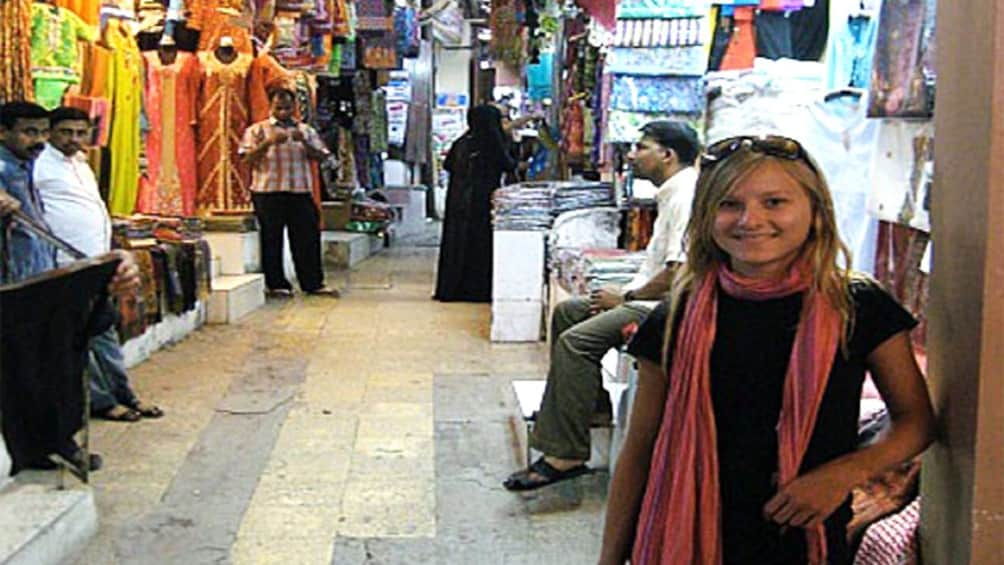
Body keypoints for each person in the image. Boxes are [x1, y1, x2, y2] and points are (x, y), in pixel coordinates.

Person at [598, 135, 935, 565]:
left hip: (802, 536)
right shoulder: (678, 315)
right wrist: (610, 557)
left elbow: (917, 421)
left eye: (774, 202)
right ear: (705, 217)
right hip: (687, 537)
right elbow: (640, 448)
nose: (750, 219)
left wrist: (843, 474)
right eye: (729, 204)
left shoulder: (859, 308)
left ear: (815, 212)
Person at [504, 121, 701, 491]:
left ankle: (566, 454)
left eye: (641, 147)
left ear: (668, 155)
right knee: (567, 313)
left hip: (666, 306)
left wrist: (626, 297)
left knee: (577, 341)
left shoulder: (685, 195)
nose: (631, 155)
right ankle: (587, 410)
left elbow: (680, 273)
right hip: (650, 296)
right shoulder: (673, 192)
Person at [0, 101, 141, 471]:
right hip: (15, 287)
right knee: (29, 374)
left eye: (43, 132)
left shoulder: (31, 164)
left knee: (56, 368)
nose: (40, 140)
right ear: (3, 132)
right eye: (30, 132)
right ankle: (39, 448)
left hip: (45, 278)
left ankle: (53, 443)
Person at [35, 106, 163, 423]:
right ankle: (101, 401)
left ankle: (125, 394)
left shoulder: (80, 164)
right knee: (78, 337)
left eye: (80, 133)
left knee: (103, 332)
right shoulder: (38, 164)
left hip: (96, 262)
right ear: (50, 132)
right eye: (66, 132)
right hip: (64, 265)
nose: (74, 139)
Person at [239, 81, 339, 298]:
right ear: (271, 106)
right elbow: (246, 159)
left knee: (307, 238)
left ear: (295, 108)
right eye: (279, 108)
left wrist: (306, 143)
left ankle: (313, 283)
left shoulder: (306, 131)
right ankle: (276, 284)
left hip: (299, 192)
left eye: (287, 108)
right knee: (271, 239)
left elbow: (324, 158)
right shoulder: (257, 130)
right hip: (268, 192)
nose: (283, 112)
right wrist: (267, 143)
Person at [433, 104, 516, 302]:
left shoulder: (462, 142)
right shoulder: (492, 142)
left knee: (457, 245)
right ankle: (476, 290)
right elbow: (508, 165)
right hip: (481, 201)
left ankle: (452, 288)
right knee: (479, 246)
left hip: (457, 202)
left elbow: (448, 165)